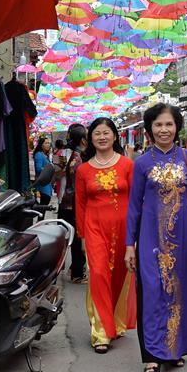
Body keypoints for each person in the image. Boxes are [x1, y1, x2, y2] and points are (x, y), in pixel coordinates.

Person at [125, 104, 187, 372]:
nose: (164, 130)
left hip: (183, 238)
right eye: (158, 125)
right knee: (151, 291)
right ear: (150, 129)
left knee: (179, 291)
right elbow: (134, 206)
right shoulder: (141, 164)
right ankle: (151, 356)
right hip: (150, 238)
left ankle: (175, 349)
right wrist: (130, 244)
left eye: (169, 125)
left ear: (177, 128)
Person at [75, 118, 135, 354]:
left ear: (115, 136)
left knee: (120, 274)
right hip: (94, 228)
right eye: (97, 133)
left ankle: (116, 322)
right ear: (90, 138)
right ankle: (100, 332)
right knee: (98, 273)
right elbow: (80, 205)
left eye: (106, 132)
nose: (101, 137)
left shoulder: (127, 165)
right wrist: (81, 237)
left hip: (123, 228)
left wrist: (135, 234)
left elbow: (136, 201)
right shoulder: (83, 170)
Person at [59, 124, 87, 283]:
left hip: (69, 204)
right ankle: (77, 274)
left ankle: (74, 269)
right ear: (83, 140)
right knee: (77, 239)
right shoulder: (77, 161)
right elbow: (78, 189)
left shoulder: (76, 156)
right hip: (72, 205)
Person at [33, 137, 53, 205]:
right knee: (44, 202)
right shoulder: (38, 154)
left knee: (45, 203)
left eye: (49, 143)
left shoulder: (45, 155)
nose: (48, 145)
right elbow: (38, 168)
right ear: (41, 144)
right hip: (42, 183)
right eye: (46, 143)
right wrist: (49, 170)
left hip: (47, 182)